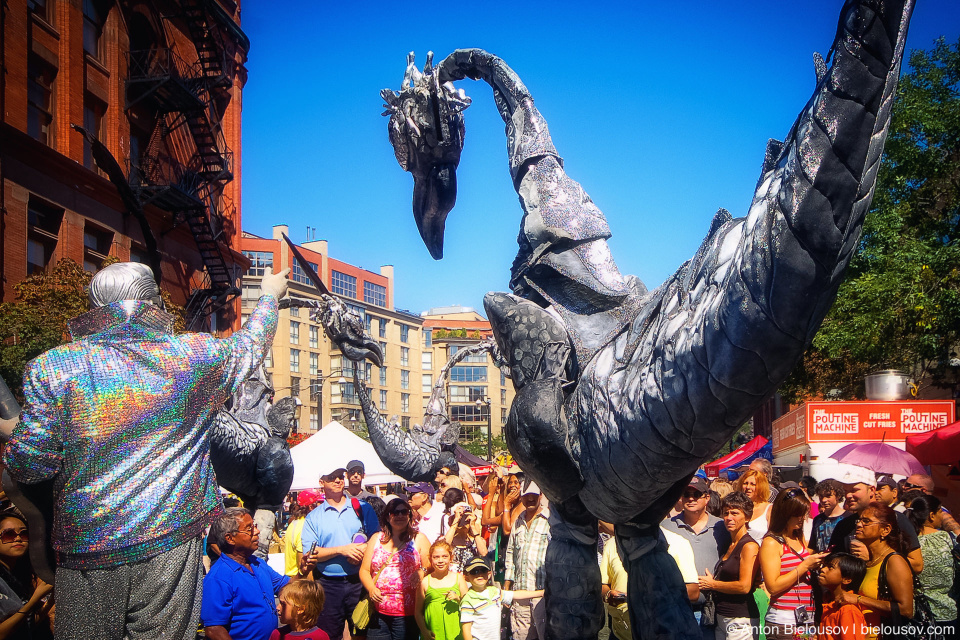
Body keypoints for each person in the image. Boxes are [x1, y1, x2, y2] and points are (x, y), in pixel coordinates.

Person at [3, 262, 288, 640]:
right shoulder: (193, 356)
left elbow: (27, 464)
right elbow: (250, 345)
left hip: (85, 546)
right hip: (169, 542)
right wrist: (268, 293)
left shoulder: (52, 367)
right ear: (153, 301)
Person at [202, 508, 317, 640]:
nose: (257, 531)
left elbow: (286, 586)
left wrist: (302, 571)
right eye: (249, 528)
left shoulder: (257, 564)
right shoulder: (218, 578)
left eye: (255, 526)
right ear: (230, 538)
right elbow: (214, 629)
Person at [300, 466, 381, 639]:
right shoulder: (314, 517)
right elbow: (311, 553)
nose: (338, 480)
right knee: (330, 634)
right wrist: (342, 550)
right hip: (328, 586)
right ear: (321, 482)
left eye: (340, 476)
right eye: (331, 477)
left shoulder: (363, 508)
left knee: (362, 633)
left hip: (359, 582)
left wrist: (362, 550)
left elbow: (378, 539)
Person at [601, 528, 699, 640]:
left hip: (663, 634)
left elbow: (693, 592)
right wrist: (608, 594)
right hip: (621, 634)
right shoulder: (612, 544)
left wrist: (649, 596)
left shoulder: (677, 542)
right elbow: (602, 585)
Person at [662, 477, 730, 639]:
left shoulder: (722, 527)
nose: (691, 498)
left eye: (697, 494)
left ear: (707, 498)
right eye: (687, 494)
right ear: (681, 497)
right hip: (674, 610)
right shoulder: (665, 527)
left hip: (709, 611)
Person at [759, 488, 829, 640]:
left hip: (806, 620)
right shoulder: (772, 542)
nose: (802, 518)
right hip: (784, 622)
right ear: (785, 513)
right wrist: (805, 566)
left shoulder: (798, 536)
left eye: (803, 513)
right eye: (797, 514)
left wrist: (815, 560)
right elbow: (773, 586)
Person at [827, 466, 923, 574]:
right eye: (846, 490)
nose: (848, 495)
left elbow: (917, 565)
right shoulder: (843, 525)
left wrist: (874, 557)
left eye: (854, 490)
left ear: (872, 490)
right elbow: (833, 561)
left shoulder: (896, 519)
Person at [839, 503, 913, 640]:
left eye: (866, 521)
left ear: (885, 530)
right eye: (859, 520)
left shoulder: (894, 561)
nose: (859, 525)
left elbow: (906, 610)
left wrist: (859, 599)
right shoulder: (868, 561)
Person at [360, 498, 430, 640]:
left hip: (408, 613)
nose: (400, 516)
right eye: (395, 512)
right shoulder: (376, 539)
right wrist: (371, 589)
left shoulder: (418, 539)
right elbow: (364, 570)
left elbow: (430, 565)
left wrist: (421, 571)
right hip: (378, 612)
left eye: (404, 512)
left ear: (409, 515)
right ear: (387, 516)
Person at [698, 492, 761, 640]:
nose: (729, 518)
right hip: (721, 617)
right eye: (726, 513)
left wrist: (713, 584)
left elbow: (744, 586)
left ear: (747, 517)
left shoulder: (749, 546)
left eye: (735, 513)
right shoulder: (730, 544)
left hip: (740, 619)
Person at [503, 481, 550, 640]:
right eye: (526, 495)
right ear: (521, 497)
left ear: (541, 496)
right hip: (520, 593)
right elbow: (511, 553)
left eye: (534, 495)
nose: (530, 499)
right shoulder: (518, 521)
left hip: (544, 593)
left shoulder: (550, 520)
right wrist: (507, 586)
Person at [459, 557, 542, 640]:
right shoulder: (468, 600)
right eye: (474, 571)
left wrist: (541, 593)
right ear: (466, 577)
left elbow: (516, 594)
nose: (479, 574)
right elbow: (466, 630)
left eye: (483, 570)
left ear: (489, 574)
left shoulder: (495, 592)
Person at [906, 495, 957, 630]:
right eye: (941, 511)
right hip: (946, 613)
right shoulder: (946, 538)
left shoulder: (907, 543)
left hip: (916, 615)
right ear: (932, 515)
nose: (942, 516)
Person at [0, 510, 52, 640]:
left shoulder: (18, 574)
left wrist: (51, 599)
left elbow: (25, 625)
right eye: (8, 534)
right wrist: (36, 597)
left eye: (24, 534)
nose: (18, 538)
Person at [415, 539, 467, 640]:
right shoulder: (425, 582)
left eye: (444, 556)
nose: (440, 561)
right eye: (436, 557)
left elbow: (469, 604)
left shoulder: (459, 578)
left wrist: (458, 598)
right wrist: (425, 631)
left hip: (456, 632)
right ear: (430, 559)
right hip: (433, 633)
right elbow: (418, 612)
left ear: (451, 558)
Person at [816, 552, 867, 640]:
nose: (823, 569)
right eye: (824, 566)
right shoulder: (831, 605)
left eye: (830, 567)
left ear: (846, 579)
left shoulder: (848, 610)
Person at [442, 490, 488, 573]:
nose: (464, 520)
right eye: (461, 517)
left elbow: (484, 552)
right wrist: (456, 521)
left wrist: (473, 526)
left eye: (466, 518)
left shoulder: (476, 541)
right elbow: (443, 547)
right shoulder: (446, 539)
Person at [810, 479, 847, 553]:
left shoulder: (848, 518)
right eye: (821, 496)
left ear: (838, 496)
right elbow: (813, 547)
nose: (824, 500)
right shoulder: (817, 519)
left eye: (828, 496)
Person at [735, 469, 772, 539]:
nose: (748, 487)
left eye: (753, 484)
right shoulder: (737, 507)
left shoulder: (770, 509)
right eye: (745, 483)